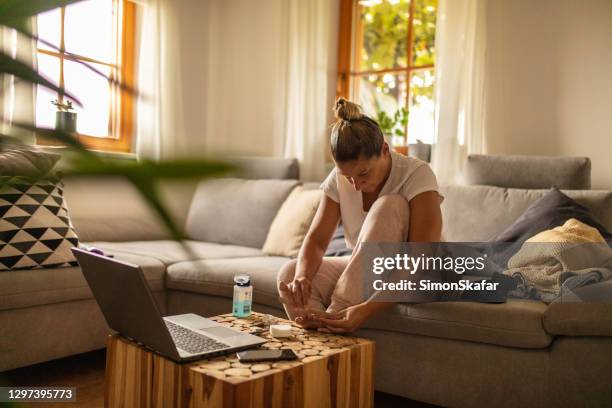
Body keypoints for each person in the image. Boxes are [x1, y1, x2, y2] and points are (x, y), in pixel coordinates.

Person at [277, 97, 443, 333]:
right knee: (291, 272)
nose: (356, 185)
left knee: (390, 205)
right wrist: (302, 277)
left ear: (385, 150)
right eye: (348, 177)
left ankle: (334, 320)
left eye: (364, 172)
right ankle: (322, 332)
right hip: (365, 269)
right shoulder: (339, 178)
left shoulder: (418, 174)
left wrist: (365, 309)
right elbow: (316, 241)